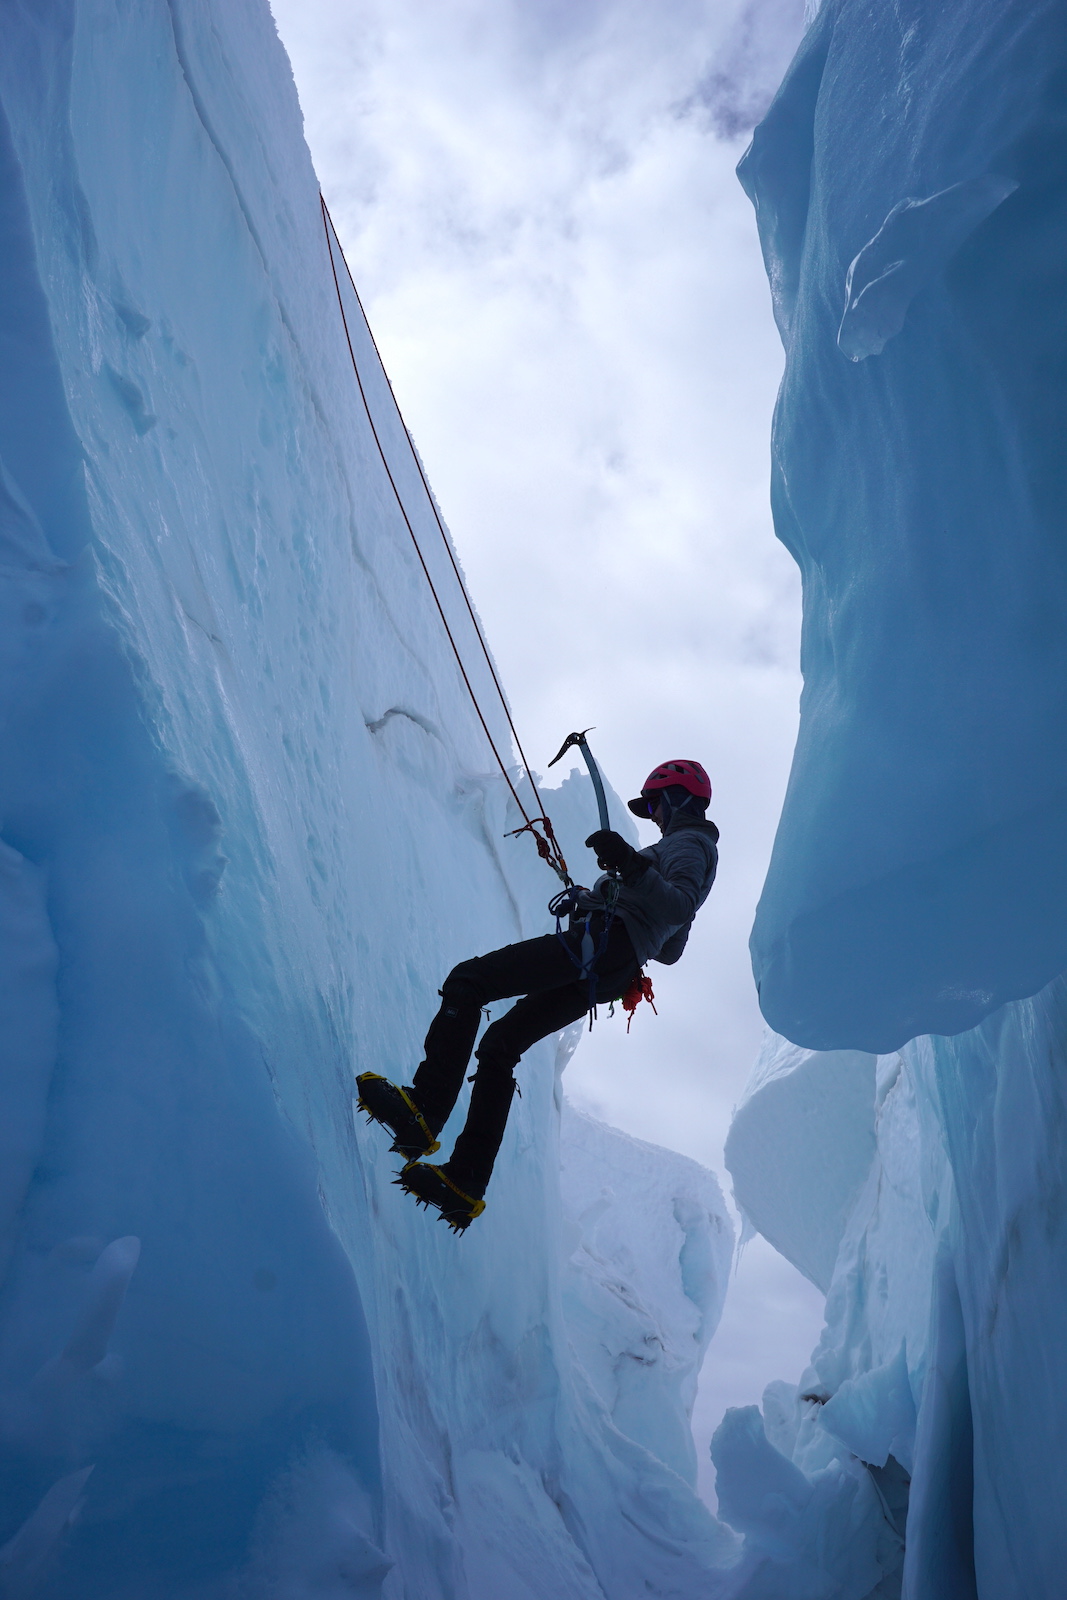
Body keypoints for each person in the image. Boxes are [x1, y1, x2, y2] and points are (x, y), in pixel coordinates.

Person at [357, 760, 719, 1231]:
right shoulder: (684, 849)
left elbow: (677, 904)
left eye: (655, 803)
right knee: (500, 1046)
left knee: (469, 982)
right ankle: (466, 1181)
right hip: (606, 961)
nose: (653, 814)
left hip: (604, 946)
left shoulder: (690, 844)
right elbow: (671, 945)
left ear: (678, 798)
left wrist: (630, 868)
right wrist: (601, 896)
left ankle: (423, 1110)